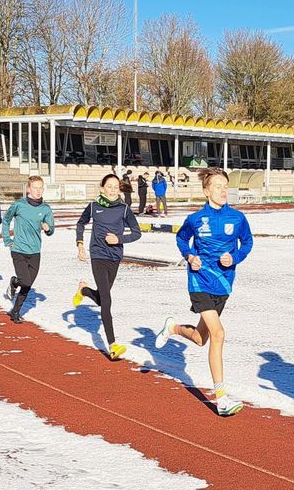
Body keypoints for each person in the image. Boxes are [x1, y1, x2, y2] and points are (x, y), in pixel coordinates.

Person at [154, 167, 253, 417]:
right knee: (218, 333)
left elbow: (247, 243)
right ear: (206, 191)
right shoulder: (195, 219)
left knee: (201, 338)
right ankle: (221, 398)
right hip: (199, 282)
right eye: (218, 186)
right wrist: (190, 256)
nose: (223, 191)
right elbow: (181, 239)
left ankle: (173, 328)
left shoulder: (238, 218)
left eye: (225, 186)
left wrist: (236, 257)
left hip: (223, 283)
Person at [73, 174, 143, 360]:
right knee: (107, 300)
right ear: (102, 188)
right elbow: (80, 224)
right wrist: (80, 244)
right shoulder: (93, 207)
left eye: (115, 187)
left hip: (115, 257)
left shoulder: (124, 209)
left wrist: (119, 239)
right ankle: (113, 345)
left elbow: (137, 233)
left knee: (102, 299)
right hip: (97, 255)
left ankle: (85, 290)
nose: (112, 190)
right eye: (109, 186)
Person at [1, 175, 54, 324]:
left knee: (28, 284)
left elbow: (51, 230)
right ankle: (15, 282)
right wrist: (7, 239)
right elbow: (6, 220)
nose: (38, 191)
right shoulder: (19, 205)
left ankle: (15, 311)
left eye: (40, 188)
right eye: (35, 188)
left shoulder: (46, 209)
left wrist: (48, 228)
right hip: (18, 249)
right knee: (25, 281)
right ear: (28, 189)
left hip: (35, 251)